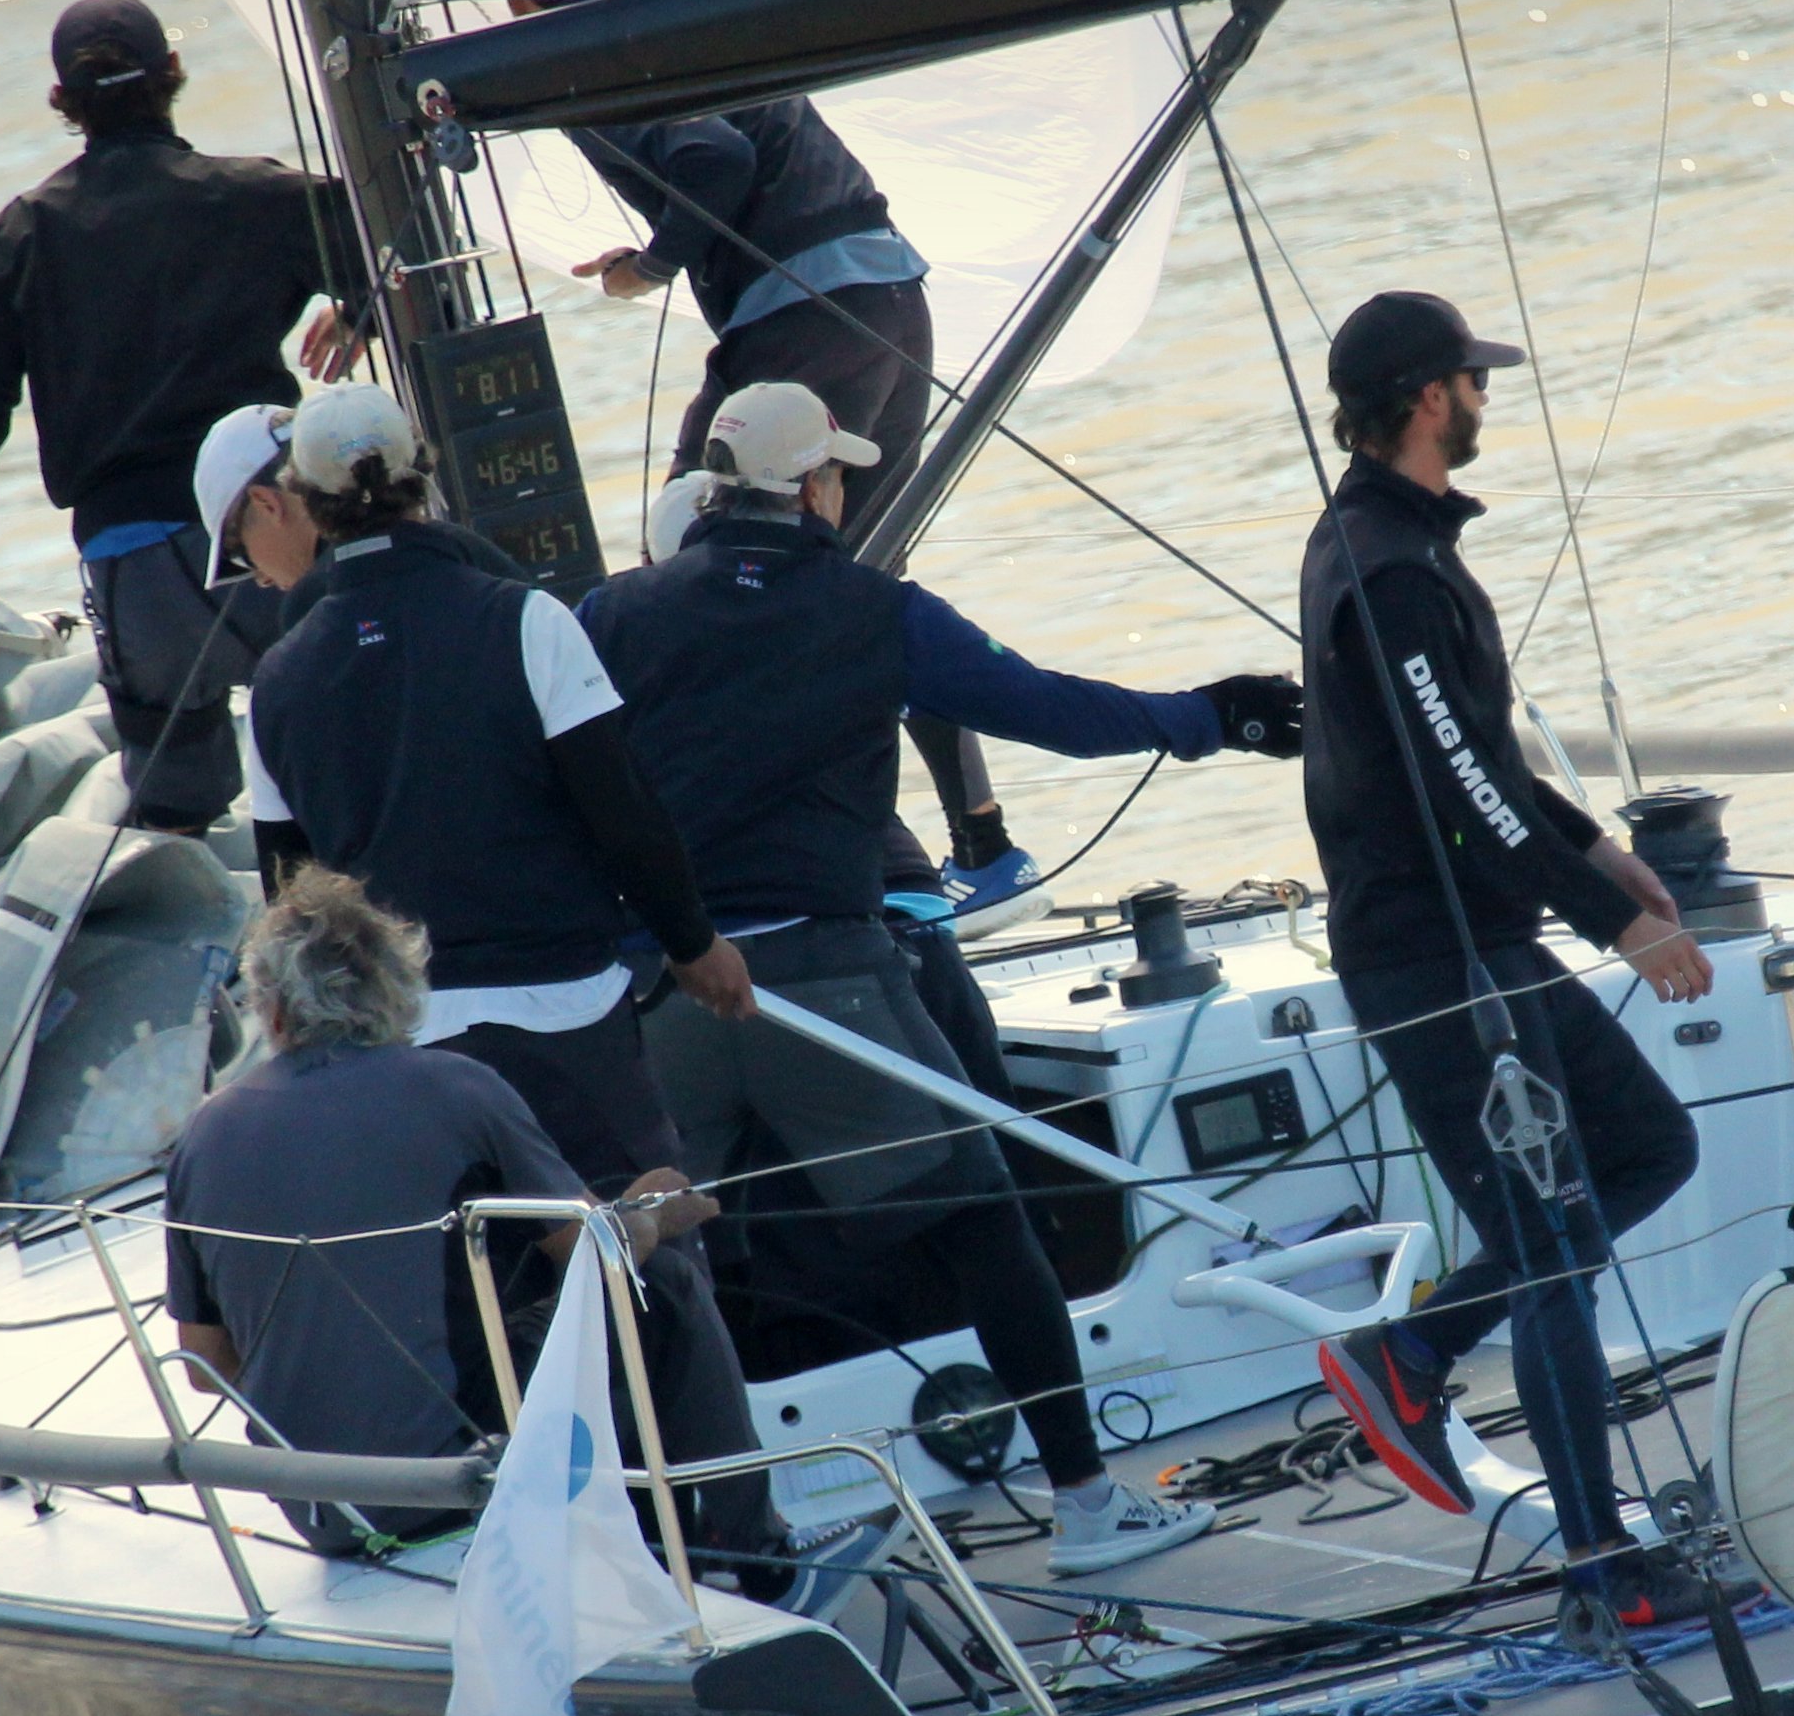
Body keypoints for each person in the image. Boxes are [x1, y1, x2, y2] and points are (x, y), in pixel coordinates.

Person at [581, 382, 1306, 1578]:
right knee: (983, 1220)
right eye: (838, 475)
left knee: (656, 1257)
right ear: (813, 486)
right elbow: (1050, 709)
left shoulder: (611, 612)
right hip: (823, 980)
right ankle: (1084, 1504)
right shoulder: (873, 609)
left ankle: (672, 1552)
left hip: (663, 993)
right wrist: (1207, 717)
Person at [222, 385, 849, 1592]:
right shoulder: (523, 619)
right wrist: (694, 944)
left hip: (403, 1043)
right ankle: (739, 1547)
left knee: (480, 1298)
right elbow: (623, 810)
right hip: (562, 1012)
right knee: (649, 1252)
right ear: (424, 476)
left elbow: (290, 896)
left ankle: (556, 1565)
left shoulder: (279, 680)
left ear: (304, 503)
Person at [1288, 292, 1720, 1649]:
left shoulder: (1399, 540)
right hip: (1438, 957)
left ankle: (1412, 1347)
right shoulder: (1389, 570)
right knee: (1550, 1249)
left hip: (1484, 937)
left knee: (1648, 1147)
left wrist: (1598, 846)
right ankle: (1603, 1570)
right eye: (1473, 379)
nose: (1486, 396)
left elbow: (1474, 756)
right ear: (1431, 397)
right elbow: (1462, 786)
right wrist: (1617, 925)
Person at [165, 869, 881, 1614]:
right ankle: (758, 1558)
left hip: (323, 1510)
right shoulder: (455, 1087)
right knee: (659, 1286)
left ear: (272, 1008)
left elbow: (206, 1362)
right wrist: (652, 1213)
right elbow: (594, 1258)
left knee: (509, 1316)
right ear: (397, 988)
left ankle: (649, 1544)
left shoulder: (203, 1135)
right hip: (457, 1477)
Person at [0, 0, 363, 829]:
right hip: (274, 530)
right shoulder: (258, 195)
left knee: (176, 811)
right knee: (356, 751)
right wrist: (360, 310)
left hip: (137, 569)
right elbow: (397, 232)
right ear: (172, 75)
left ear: (64, 102)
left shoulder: (18, 236)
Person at [569, 97, 1028, 916]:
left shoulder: (581, 62)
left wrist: (654, 267)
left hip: (806, 316)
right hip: (890, 300)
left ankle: (867, 874)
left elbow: (714, 155)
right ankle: (983, 852)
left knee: (698, 571)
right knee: (859, 584)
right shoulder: (685, 22)